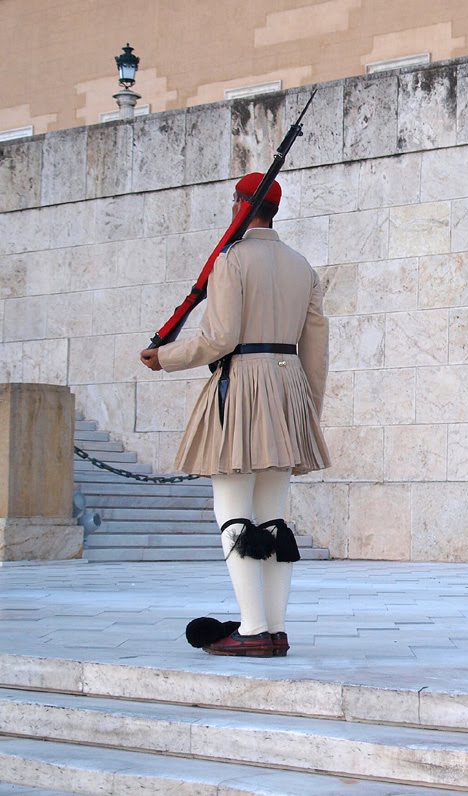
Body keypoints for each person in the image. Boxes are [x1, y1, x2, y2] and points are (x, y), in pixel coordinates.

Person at [140, 172, 330, 658]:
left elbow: (219, 340)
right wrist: (308, 410)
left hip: (242, 386)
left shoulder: (231, 260)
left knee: (234, 515)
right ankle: (275, 627)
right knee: (273, 520)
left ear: (241, 206)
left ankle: (251, 627)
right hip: (289, 389)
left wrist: (167, 357)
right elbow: (317, 351)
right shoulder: (301, 266)